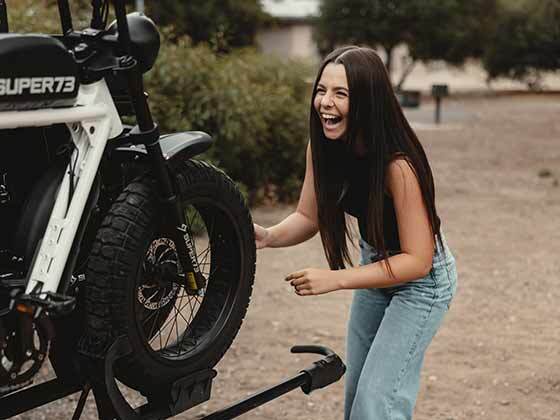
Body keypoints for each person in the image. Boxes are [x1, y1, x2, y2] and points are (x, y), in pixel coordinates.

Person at [253, 46, 457, 420]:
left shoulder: (399, 166)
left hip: (422, 285)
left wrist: (336, 279)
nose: (325, 103)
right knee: (358, 397)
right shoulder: (324, 147)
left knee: (375, 402)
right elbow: (307, 216)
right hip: (376, 267)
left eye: (340, 94)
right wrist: (267, 236)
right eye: (321, 90)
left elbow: (418, 260)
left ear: (367, 100)